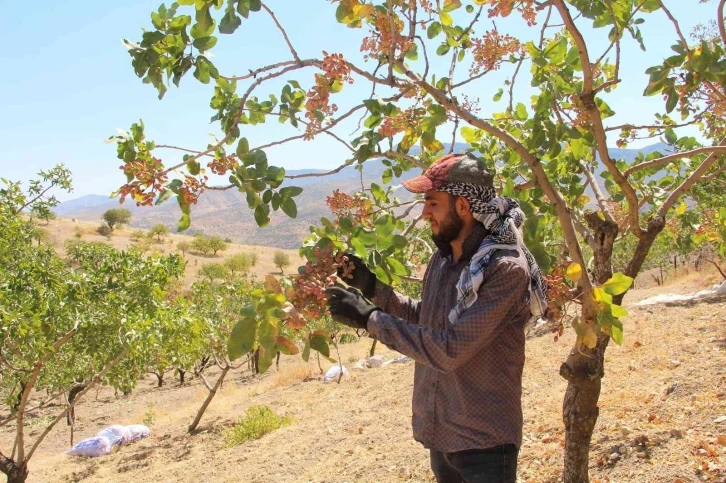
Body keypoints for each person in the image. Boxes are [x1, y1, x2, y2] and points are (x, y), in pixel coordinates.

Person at [325, 153, 548, 483]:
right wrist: (371, 287)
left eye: (432, 203)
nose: (424, 212)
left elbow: (451, 349)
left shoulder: (503, 268)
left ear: (462, 206)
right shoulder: (443, 258)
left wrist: (370, 319)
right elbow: (426, 318)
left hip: (485, 444)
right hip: (442, 434)